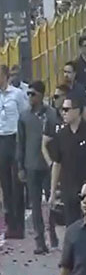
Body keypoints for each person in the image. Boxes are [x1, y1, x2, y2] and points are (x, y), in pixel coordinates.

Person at [50, 94, 86, 226]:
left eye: (66, 109)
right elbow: (57, 163)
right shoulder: (61, 135)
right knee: (72, 228)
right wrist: (53, 192)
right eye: (62, 110)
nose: (63, 113)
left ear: (77, 111)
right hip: (69, 191)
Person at [17, 81, 59, 253]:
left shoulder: (51, 115)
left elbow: (57, 140)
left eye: (33, 94)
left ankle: (53, 233)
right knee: (35, 205)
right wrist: (20, 166)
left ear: (41, 95)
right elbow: (21, 142)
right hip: (31, 165)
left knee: (52, 202)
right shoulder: (24, 116)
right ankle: (39, 241)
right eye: (28, 94)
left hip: (48, 166)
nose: (30, 97)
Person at [0, 65, 28, 239]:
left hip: (14, 138)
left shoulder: (16, 94)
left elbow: (24, 116)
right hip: (1, 139)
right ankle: (10, 223)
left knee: (16, 182)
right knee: (5, 183)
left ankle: (19, 225)